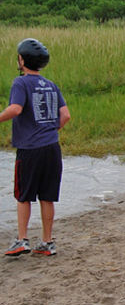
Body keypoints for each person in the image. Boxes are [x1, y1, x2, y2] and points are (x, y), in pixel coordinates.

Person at [1, 38, 71, 257]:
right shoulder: (51, 85)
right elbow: (66, 115)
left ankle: (22, 239)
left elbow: (15, 109)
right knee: (47, 196)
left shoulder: (20, 82)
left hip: (30, 149)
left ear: (21, 60)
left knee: (24, 196)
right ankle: (47, 242)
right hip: (52, 147)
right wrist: (49, 132)